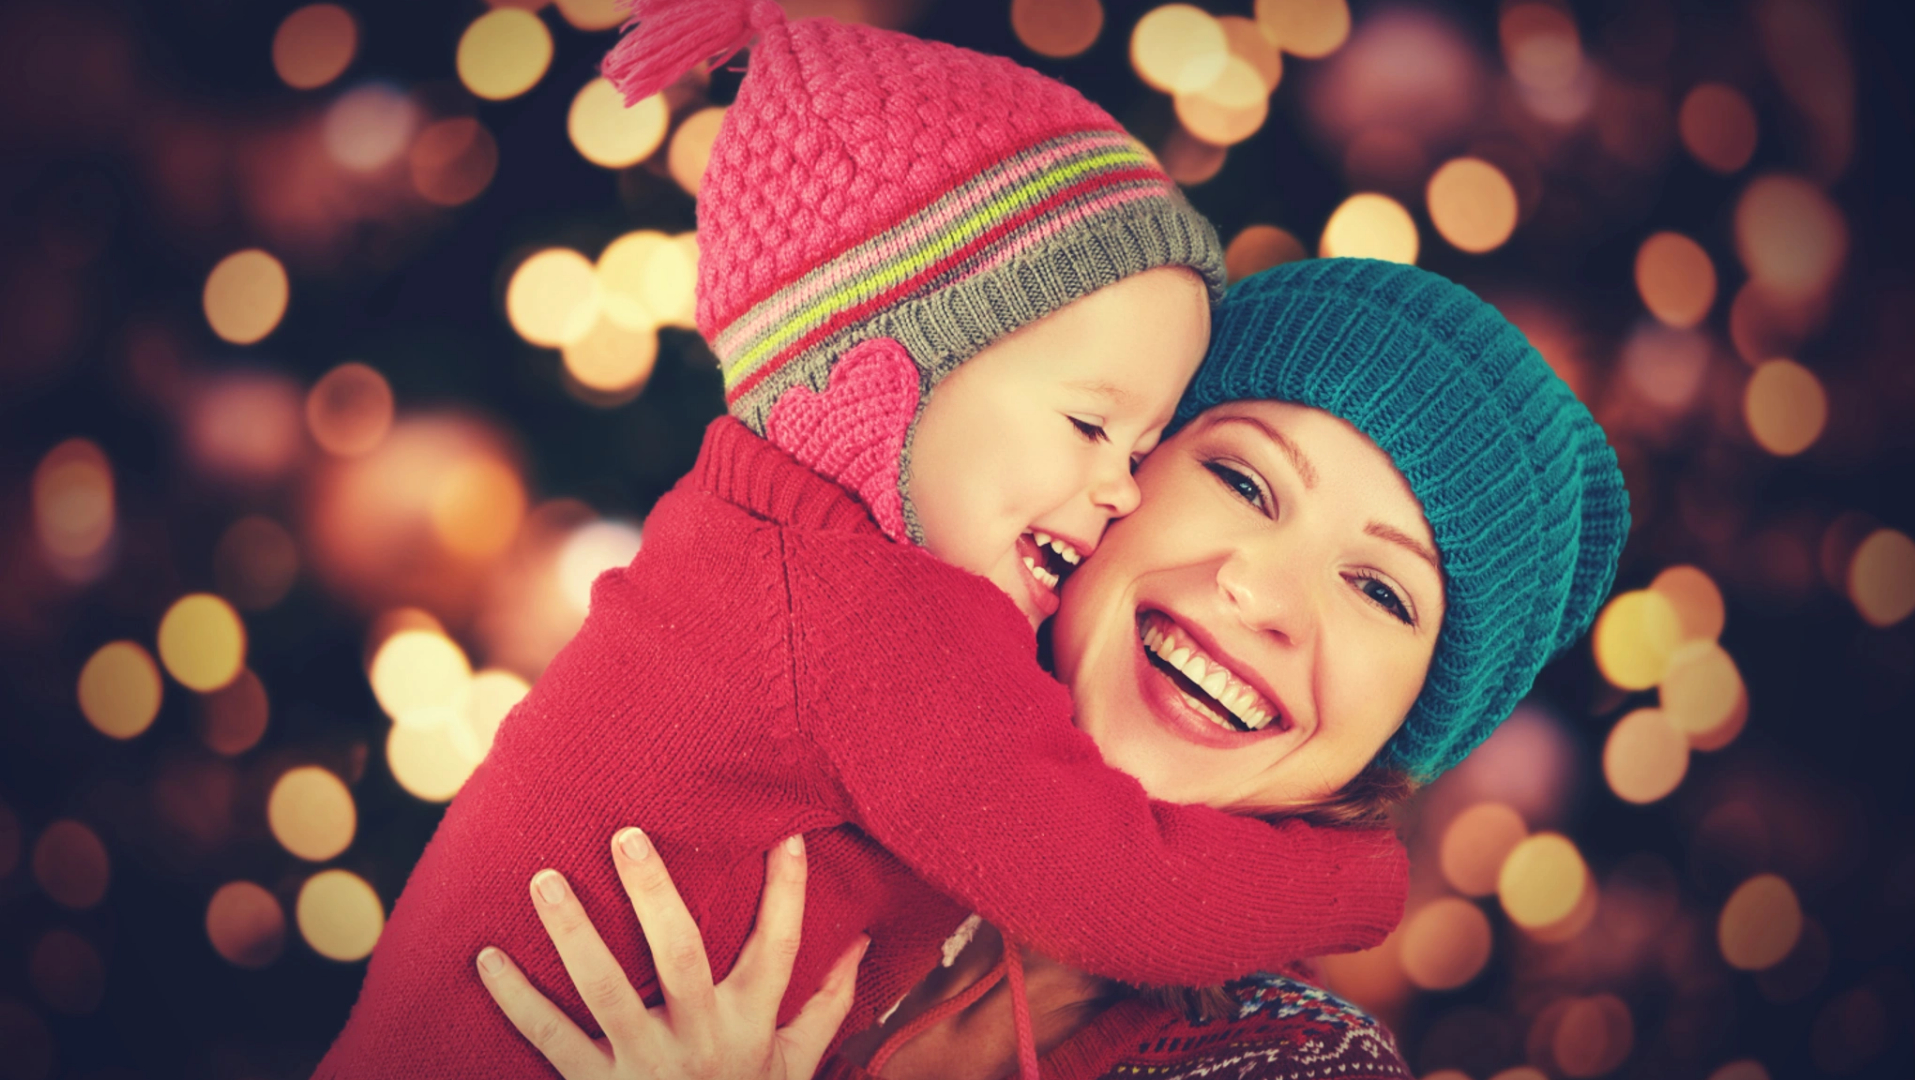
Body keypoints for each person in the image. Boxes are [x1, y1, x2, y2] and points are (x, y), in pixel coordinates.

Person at [313, 7, 1411, 1079]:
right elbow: (1110, 888)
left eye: (1144, 443)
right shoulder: (877, 613)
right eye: (1089, 425)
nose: (1120, 490)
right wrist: (1353, 883)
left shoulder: (755, 537)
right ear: (882, 383)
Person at [474, 257, 1633, 1079]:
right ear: (1115, 480)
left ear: (1406, 728)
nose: (1266, 596)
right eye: (1244, 480)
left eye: (1382, 591)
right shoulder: (788, 717)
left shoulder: (1290, 1065)